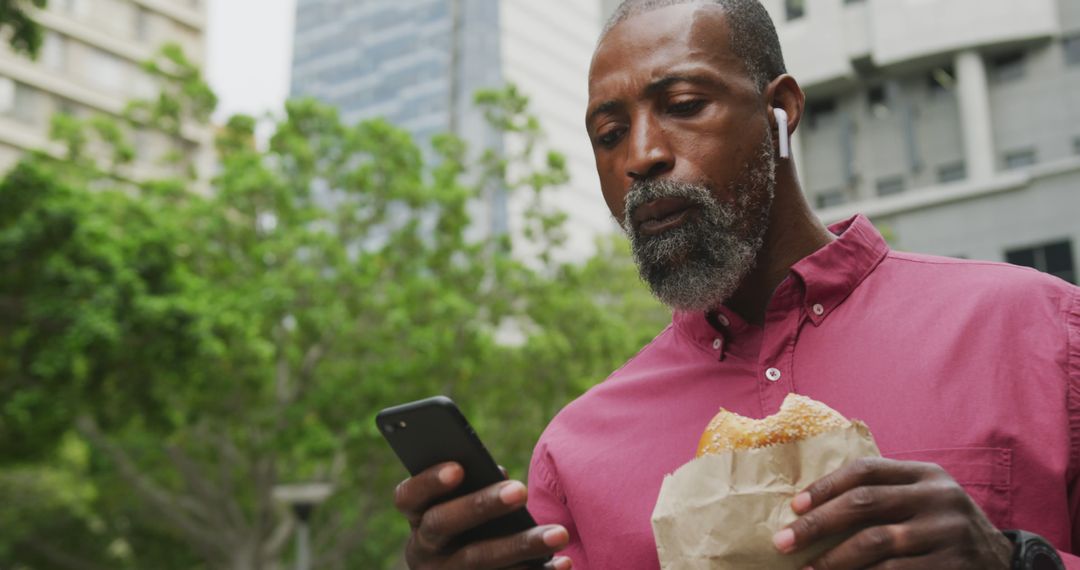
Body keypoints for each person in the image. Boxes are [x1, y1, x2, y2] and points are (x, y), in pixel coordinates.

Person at [392, 1, 1080, 568]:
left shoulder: (1040, 329)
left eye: (684, 104)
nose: (640, 156)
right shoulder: (571, 455)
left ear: (780, 110)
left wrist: (1013, 560)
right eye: (608, 134)